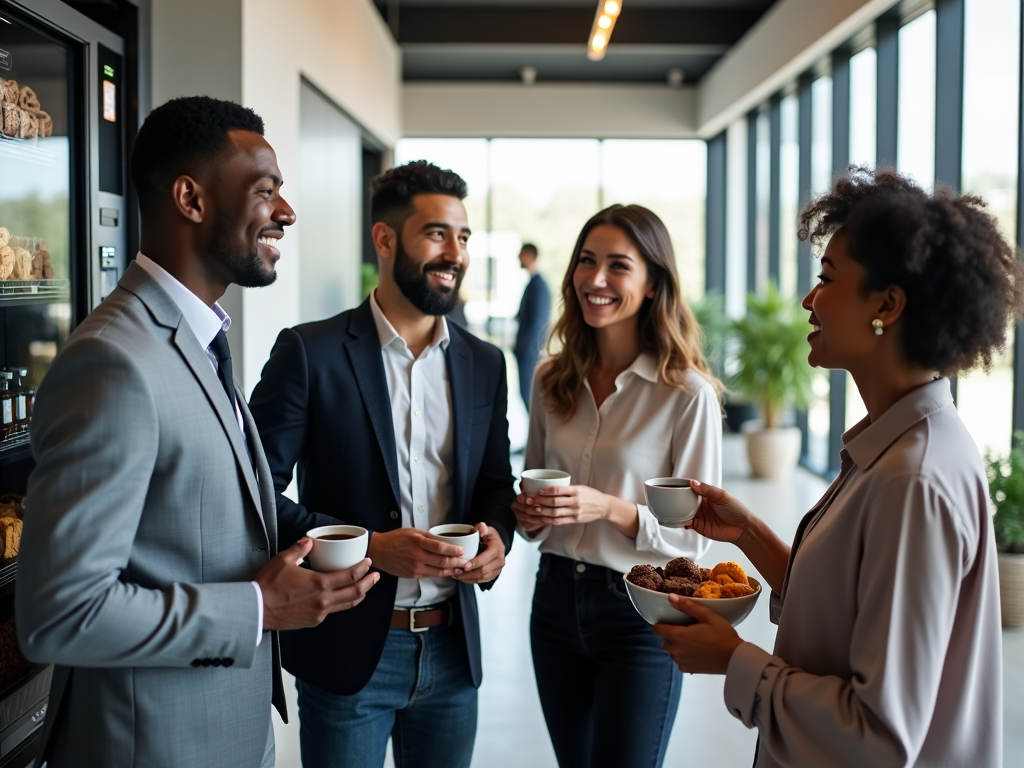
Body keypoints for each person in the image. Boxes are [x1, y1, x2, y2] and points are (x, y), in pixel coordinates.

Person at [15, 96, 379, 768]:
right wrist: (258, 608)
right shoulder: (113, 362)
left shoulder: (196, 337)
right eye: (266, 191)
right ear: (191, 198)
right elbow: (59, 612)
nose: (286, 212)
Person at [654, 167, 1023, 768]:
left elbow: (877, 735)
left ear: (888, 304)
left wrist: (733, 659)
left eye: (826, 278)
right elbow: (845, 612)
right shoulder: (900, 445)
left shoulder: (913, 480)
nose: (808, 298)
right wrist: (748, 532)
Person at [249, 160, 517, 768]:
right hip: (350, 651)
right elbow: (255, 492)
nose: (456, 253)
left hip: (454, 650)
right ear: (385, 239)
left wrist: (499, 537)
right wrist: (371, 546)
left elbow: (495, 484)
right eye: (437, 234)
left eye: (464, 236)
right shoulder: (310, 351)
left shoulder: (485, 363)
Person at [512, 204, 723, 768]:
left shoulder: (686, 395)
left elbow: (695, 543)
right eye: (586, 261)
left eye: (618, 266)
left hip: (641, 613)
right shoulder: (548, 378)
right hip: (554, 602)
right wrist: (529, 516)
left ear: (653, 284)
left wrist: (608, 507)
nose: (596, 280)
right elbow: (531, 501)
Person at [514, 242, 551, 411]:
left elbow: (538, 322)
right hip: (527, 351)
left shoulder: (538, 286)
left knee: (529, 395)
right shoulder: (533, 284)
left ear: (530, 256)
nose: (518, 258)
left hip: (530, 353)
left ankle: (537, 437)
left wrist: (525, 347)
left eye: (521, 254)